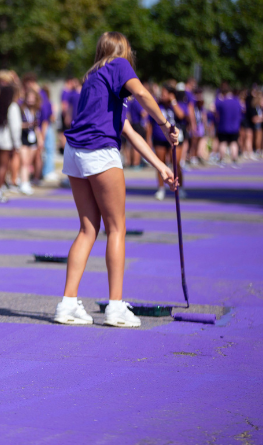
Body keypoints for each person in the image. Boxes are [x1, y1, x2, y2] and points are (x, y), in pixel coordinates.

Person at [56, 32, 178, 328]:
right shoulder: (119, 67)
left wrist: (161, 165)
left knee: (88, 229)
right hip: (99, 152)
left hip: (75, 153)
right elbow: (145, 95)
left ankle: (68, 304)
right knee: (117, 229)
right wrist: (165, 124)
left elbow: (129, 131)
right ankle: (115, 306)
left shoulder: (93, 78)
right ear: (124, 51)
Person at [0, 84, 22, 202]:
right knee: (3, 166)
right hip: (5, 140)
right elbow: (15, 127)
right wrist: (16, 143)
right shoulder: (12, 106)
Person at [151, 83, 186, 200]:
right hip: (159, 138)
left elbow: (181, 115)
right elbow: (150, 121)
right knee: (160, 163)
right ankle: (161, 189)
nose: (162, 95)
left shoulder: (177, 104)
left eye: (165, 93)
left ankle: (179, 188)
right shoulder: (157, 105)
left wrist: (173, 101)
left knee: (176, 163)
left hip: (175, 139)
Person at [18, 88, 41, 195]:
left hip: (32, 138)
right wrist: (27, 125)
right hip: (23, 137)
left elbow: (37, 127)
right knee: (24, 161)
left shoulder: (36, 110)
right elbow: (17, 125)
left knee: (29, 162)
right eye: (29, 98)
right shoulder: (21, 110)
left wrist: (40, 138)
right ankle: (23, 182)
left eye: (33, 98)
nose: (31, 100)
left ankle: (26, 181)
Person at [214, 83, 243, 167]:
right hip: (234, 126)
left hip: (223, 126)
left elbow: (216, 112)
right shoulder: (237, 101)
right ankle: (234, 160)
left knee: (223, 143)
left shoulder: (222, 102)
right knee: (234, 143)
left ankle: (221, 159)